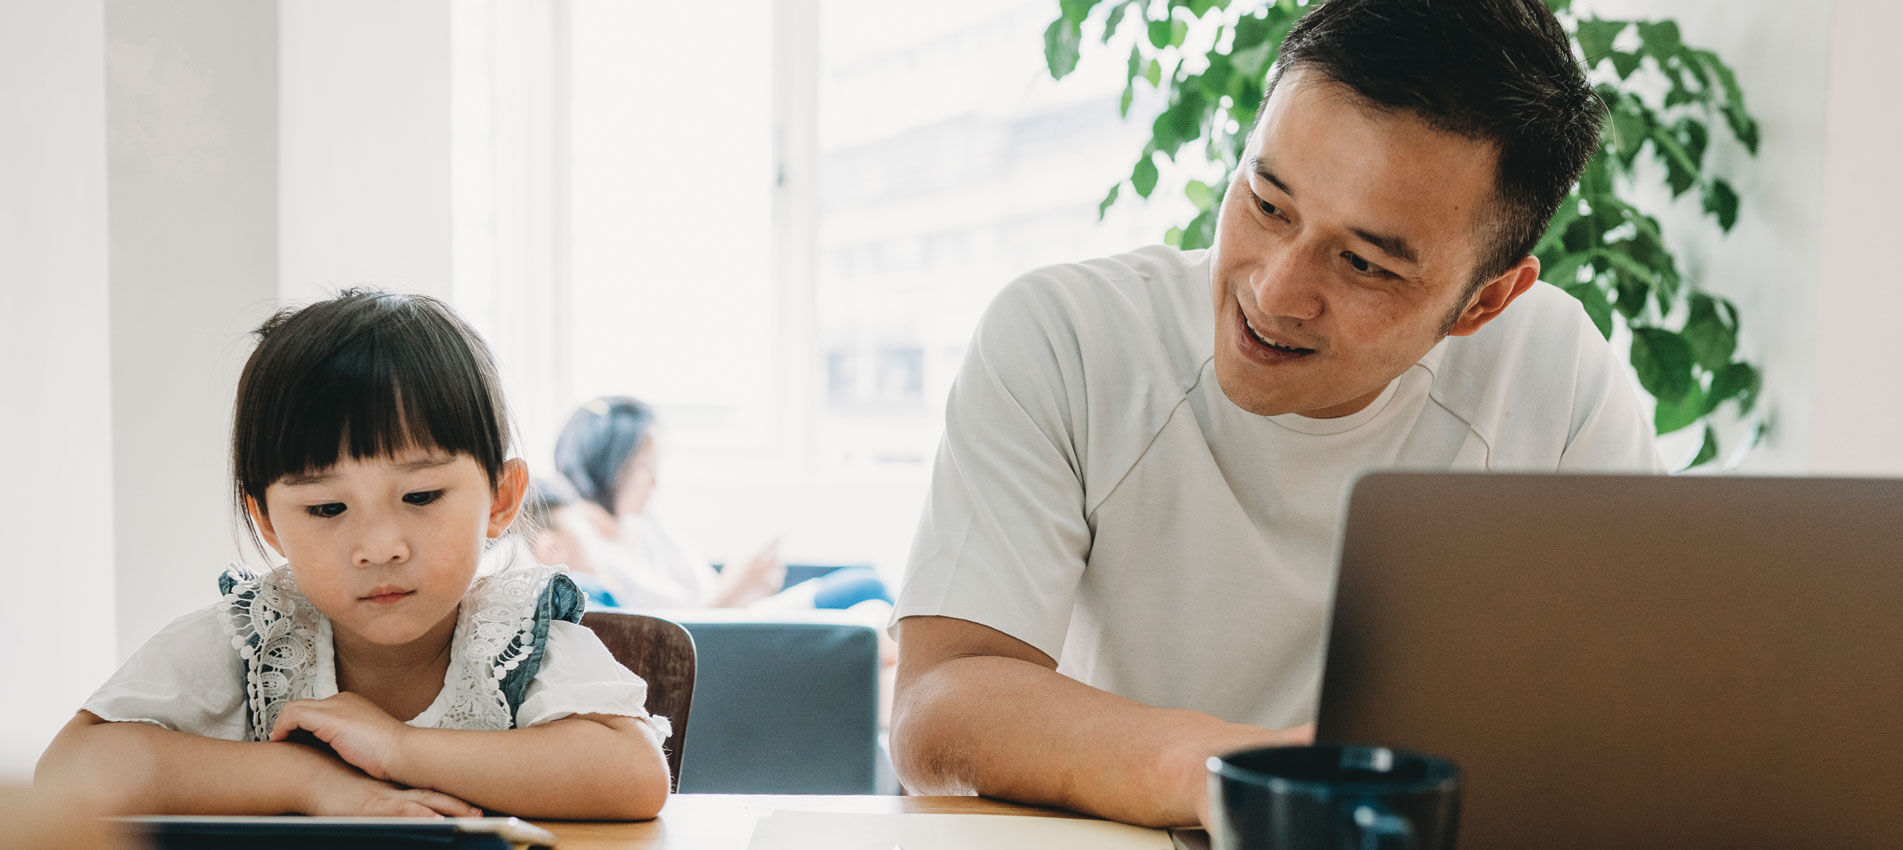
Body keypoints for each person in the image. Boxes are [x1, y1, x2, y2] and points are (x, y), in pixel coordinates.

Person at [889, 0, 1663, 829]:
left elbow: (1639, 711)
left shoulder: (1554, 373)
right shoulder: (1067, 337)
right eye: (1266, 204)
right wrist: (1242, 781)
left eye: (1363, 263)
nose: (1273, 291)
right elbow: (941, 702)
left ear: (1486, 300)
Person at [35, 290, 672, 820]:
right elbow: (71, 767)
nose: (379, 548)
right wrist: (307, 780)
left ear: (502, 499)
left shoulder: (516, 639)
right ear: (271, 523)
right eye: (326, 509)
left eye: (421, 495)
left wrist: (397, 747)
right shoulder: (257, 638)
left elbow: (633, 776)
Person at [552, 396, 891, 612]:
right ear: (610, 465)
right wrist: (734, 589)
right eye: (644, 468)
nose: (654, 483)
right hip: (717, 636)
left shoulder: (645, 526)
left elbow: (704, 591)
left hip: (733, 619)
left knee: (872, 600)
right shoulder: (582, 547)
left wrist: (745, 586)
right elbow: (663, 638)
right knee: (866, 590)